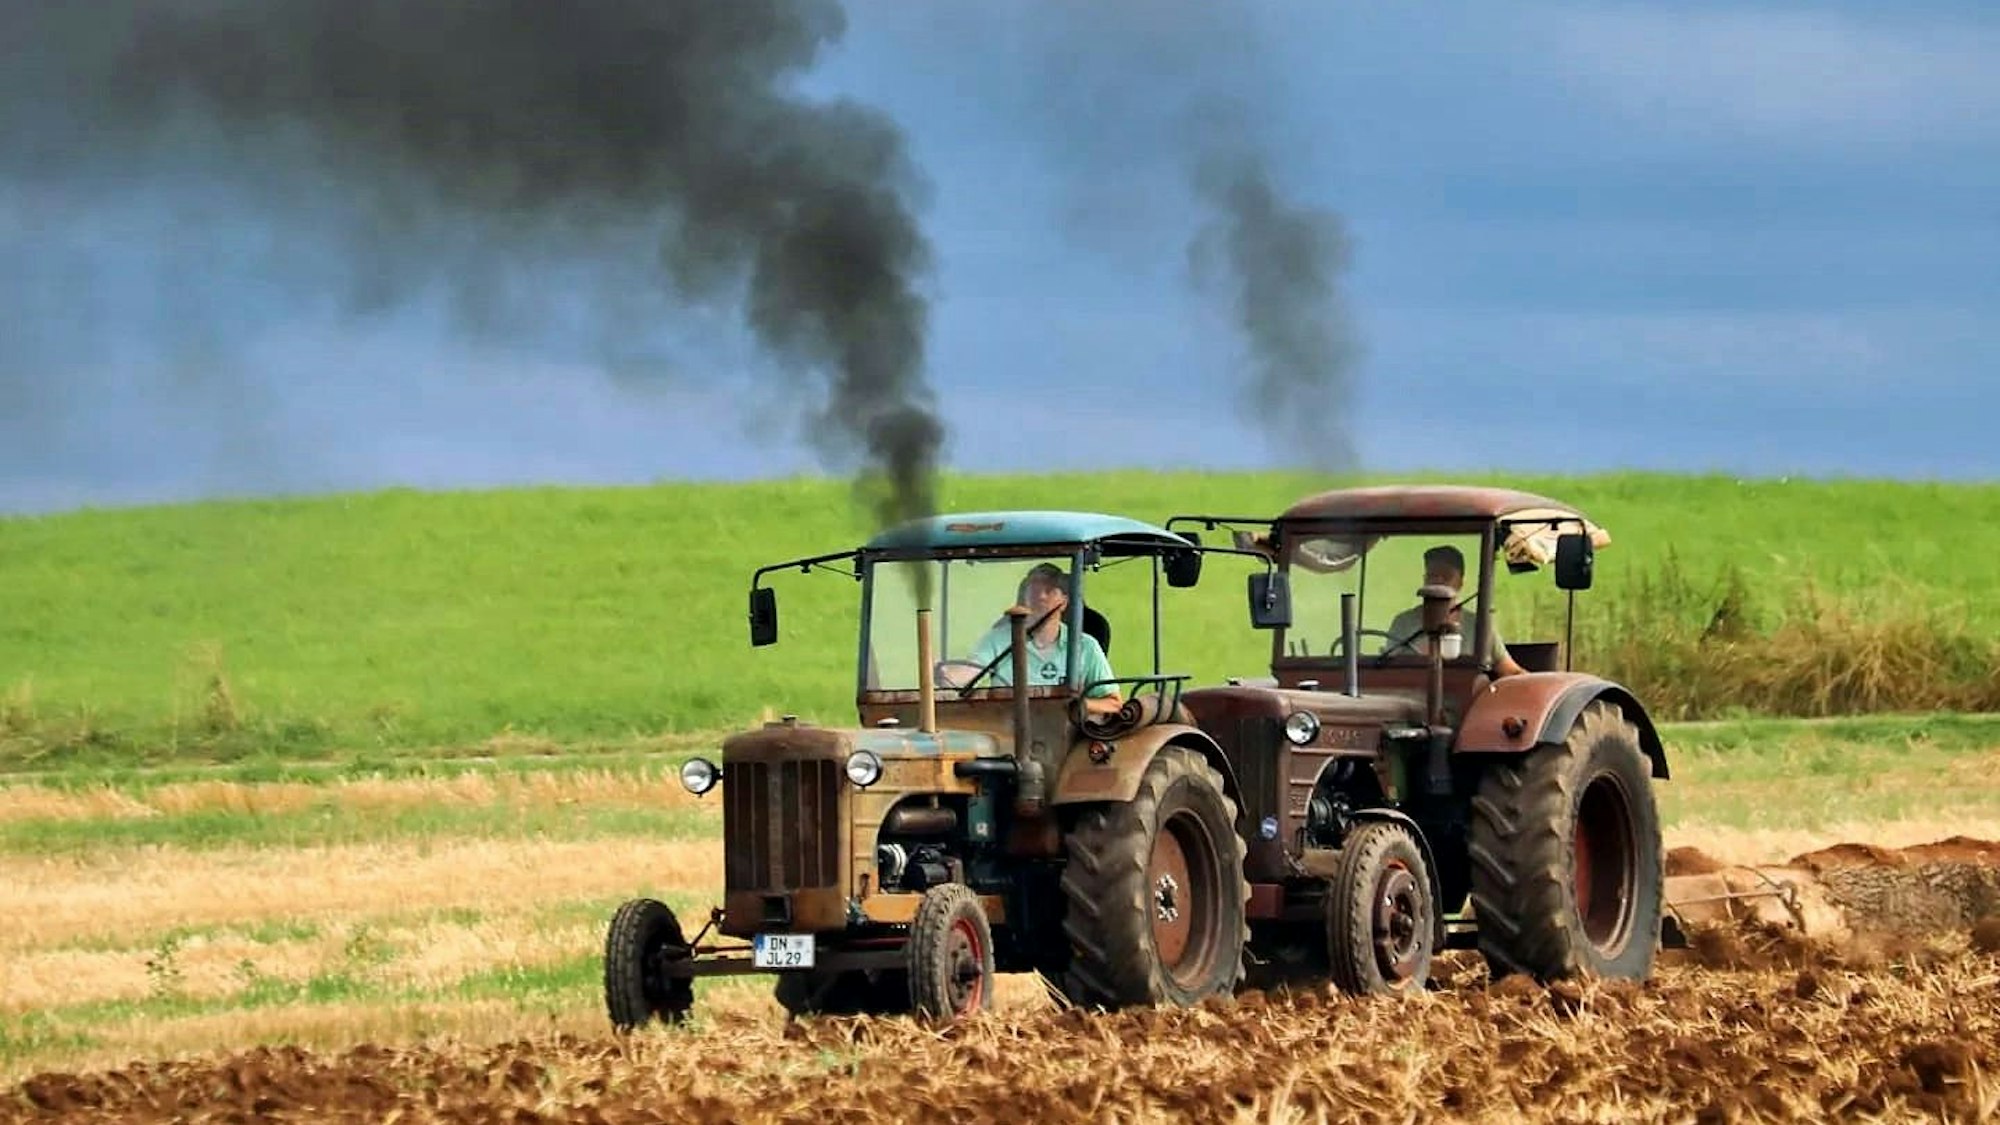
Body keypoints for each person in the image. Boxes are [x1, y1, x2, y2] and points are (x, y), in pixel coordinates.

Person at [947, 563, 1124, 715]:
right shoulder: (998, 639)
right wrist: (946, 674)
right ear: (1024, 598)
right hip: (1005, 730)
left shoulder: (1085, 646)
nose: (1040, 596)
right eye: (1034, 589)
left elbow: (1114, 703)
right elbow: (971, 672)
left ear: (1064, 601)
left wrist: (1079, 706)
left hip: (1066, 736)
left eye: (1048, 590)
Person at [1383, 545, 1526, 678]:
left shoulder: (1479, 627)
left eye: (1446, 576)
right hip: (1411, 692)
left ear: (1460, 582)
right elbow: (1388, 673)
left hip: (1466, 699)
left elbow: (1512, 671)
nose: (1438, 581)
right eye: (1432, 575)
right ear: (1424, 580)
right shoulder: (1403, 623)